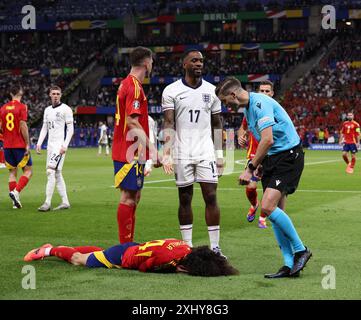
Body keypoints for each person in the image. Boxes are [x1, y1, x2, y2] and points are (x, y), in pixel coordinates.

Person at [215, 77, 311, 278]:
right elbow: (264, 141)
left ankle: (301, 250)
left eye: (225, 101)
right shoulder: (248, 109)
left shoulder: (260, 103)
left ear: (233, 95)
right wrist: (261, 165)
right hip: (273, 159)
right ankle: (288, 264)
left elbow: (268, 139)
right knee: (277, 213)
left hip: (288, 156)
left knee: (267, 207)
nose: (226, 106)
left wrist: (250, 168)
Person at [162, 49, 225, 257]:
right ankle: (187, 247)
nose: (199, 64)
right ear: (185, 64)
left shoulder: (212, 91)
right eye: (194, 61)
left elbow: (218, 124)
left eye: (201, 61)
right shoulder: (171, 91)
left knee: (211, 196)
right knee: (185, 199)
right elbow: (169, 122)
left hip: (206, 152)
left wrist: (221, 154)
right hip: (182, 152)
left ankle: (215, 247)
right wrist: (167, 152)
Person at [113, 46, 157, 243]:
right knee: (129, 197)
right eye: (152, 62)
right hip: (129, 151)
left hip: (129, 150)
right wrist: (153, 149)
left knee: (134, 196)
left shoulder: (125, 84)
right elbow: (132, 122)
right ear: (147, 63)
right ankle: (125, 246)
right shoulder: (135, 87)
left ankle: (128, 242)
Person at [23, 239, 238, 276]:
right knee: (79, 259)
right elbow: (145, 267)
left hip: (132, 246)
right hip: (122, 257)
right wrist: (171, 269)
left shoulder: (184, 246)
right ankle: (48, 251)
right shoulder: (171, 262)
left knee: (96, 253)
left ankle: (57, 248)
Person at [238, 80, 276, 229]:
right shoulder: (252, 109)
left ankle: (262, 217)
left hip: (272, 155)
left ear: (272, 93)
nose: (265, 94)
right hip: (254, 155)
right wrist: (241, 136)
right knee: (251, 187)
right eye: (262, 91)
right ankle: (254, 204)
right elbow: (243, 128)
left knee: (269, 189)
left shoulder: (275, 110)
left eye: (268, 91)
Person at [36, 85, 74, 212]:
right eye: (54, 93)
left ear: (61, 95)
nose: (56, 96)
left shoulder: (66, 109)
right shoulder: (47, 110)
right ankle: (65, 202)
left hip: (59, 146)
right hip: (50, 146)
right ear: (50, 95)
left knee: (50, 171)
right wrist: (39, 143)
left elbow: (70, 130)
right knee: (57, 173)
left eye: (58, 93)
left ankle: (47, 203)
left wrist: (65, 145)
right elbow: (44, 128)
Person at [0, 84, 33, 208]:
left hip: (7, 146)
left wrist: (5, 138)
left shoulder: (2, 108)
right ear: (21, 92)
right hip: (19, 144)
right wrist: (28, 144)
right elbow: (23, 126)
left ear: (10, 94)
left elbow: (0, 127)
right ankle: (16, 192)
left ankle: (15, 202)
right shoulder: (22, 107)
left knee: (13, 172)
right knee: (28, 170)